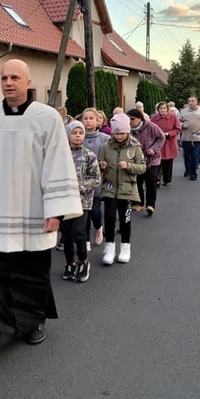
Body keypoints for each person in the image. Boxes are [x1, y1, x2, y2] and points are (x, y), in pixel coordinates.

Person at [0, 59, 82, 369]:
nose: (8, 82)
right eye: (3, 77)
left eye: (14, 77)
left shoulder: (47, 118)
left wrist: (56, 209)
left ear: (28, 83)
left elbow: (58, 163)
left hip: (36, 212)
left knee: (33, 274)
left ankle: (35, 321)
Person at [99, 113, 146, 265]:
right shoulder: (106, 146)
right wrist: (102, 166)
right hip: (110, 188)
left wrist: (129, 166)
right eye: (116, 133)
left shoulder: (135, 146)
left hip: (127, 190)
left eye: (122, 133)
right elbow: (100, 163)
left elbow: (142, 167)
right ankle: (109, 247)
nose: (119, 136)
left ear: (128, 132)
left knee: (125, 220)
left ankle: (125, 248)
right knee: (110, 218)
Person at [61, 120, 100, 283]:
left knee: (79, 232)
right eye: (74, 133)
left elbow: (95, 178)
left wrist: (78, 187)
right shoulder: (60, 155)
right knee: (66, 235)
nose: (77, 136)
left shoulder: (89, 155)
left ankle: (83, 261)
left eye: (80, 133)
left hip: (82, 202)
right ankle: (70, 263)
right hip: (63, 202)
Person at [127, 109, 165, 217]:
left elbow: (161, 137)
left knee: (150, 181)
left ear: (139, 118)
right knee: (138, 181)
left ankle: (150, 204)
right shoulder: (128, 129)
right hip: (136, 159)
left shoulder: (151, 126)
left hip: (151, 158)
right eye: (128, 119)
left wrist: (154, 149)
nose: (130, 121)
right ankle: (139, 202)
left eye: (132, 119)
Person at [81, 107, 109, 250]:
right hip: (81, 182)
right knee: (83, 212)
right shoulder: (78, 136)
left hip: (97, 182)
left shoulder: (104, 138)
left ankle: (98, 227)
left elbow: (110, 155)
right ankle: (85, 239)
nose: (88, 121)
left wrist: (104, 164)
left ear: (98, 121)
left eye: (91, 118)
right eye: (85, 118)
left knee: (95, 211)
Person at [179, 96, 200, 181]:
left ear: (196, 102)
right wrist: (182, 125)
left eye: (192, 101)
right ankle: (188, 169)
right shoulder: (183, 112)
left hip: (197, 138)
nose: (191, 103)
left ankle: (193, 174)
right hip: (186, 138)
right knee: (186, 156)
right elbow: (177, 122)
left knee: (195, 156)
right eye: (189, 101)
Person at [150, 102, 182, 186]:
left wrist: (169, 134)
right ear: (158, 110)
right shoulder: (154, 118)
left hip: (169, 142)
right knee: (157, 162)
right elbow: (150, 129)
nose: (162, 110)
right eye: (160, 108)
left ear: (167, 109)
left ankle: (167, 179)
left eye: (164, 108)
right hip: (158, 143)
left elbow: (177, 129)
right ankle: (157, 179)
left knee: (168, 162)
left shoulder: (173, 117)